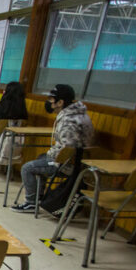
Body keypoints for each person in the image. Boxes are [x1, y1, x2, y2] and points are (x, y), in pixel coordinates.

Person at [11, 84, 94, 213]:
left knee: (27, 168)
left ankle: (31, 203)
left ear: (60, 102)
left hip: (69, 165)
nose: (49, 102)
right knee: (41, 159)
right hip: (78, 163)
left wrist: (52, 156)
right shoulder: (80, 115)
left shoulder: (69, 121)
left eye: (51, 99)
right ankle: (39, 197)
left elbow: (68, 150)